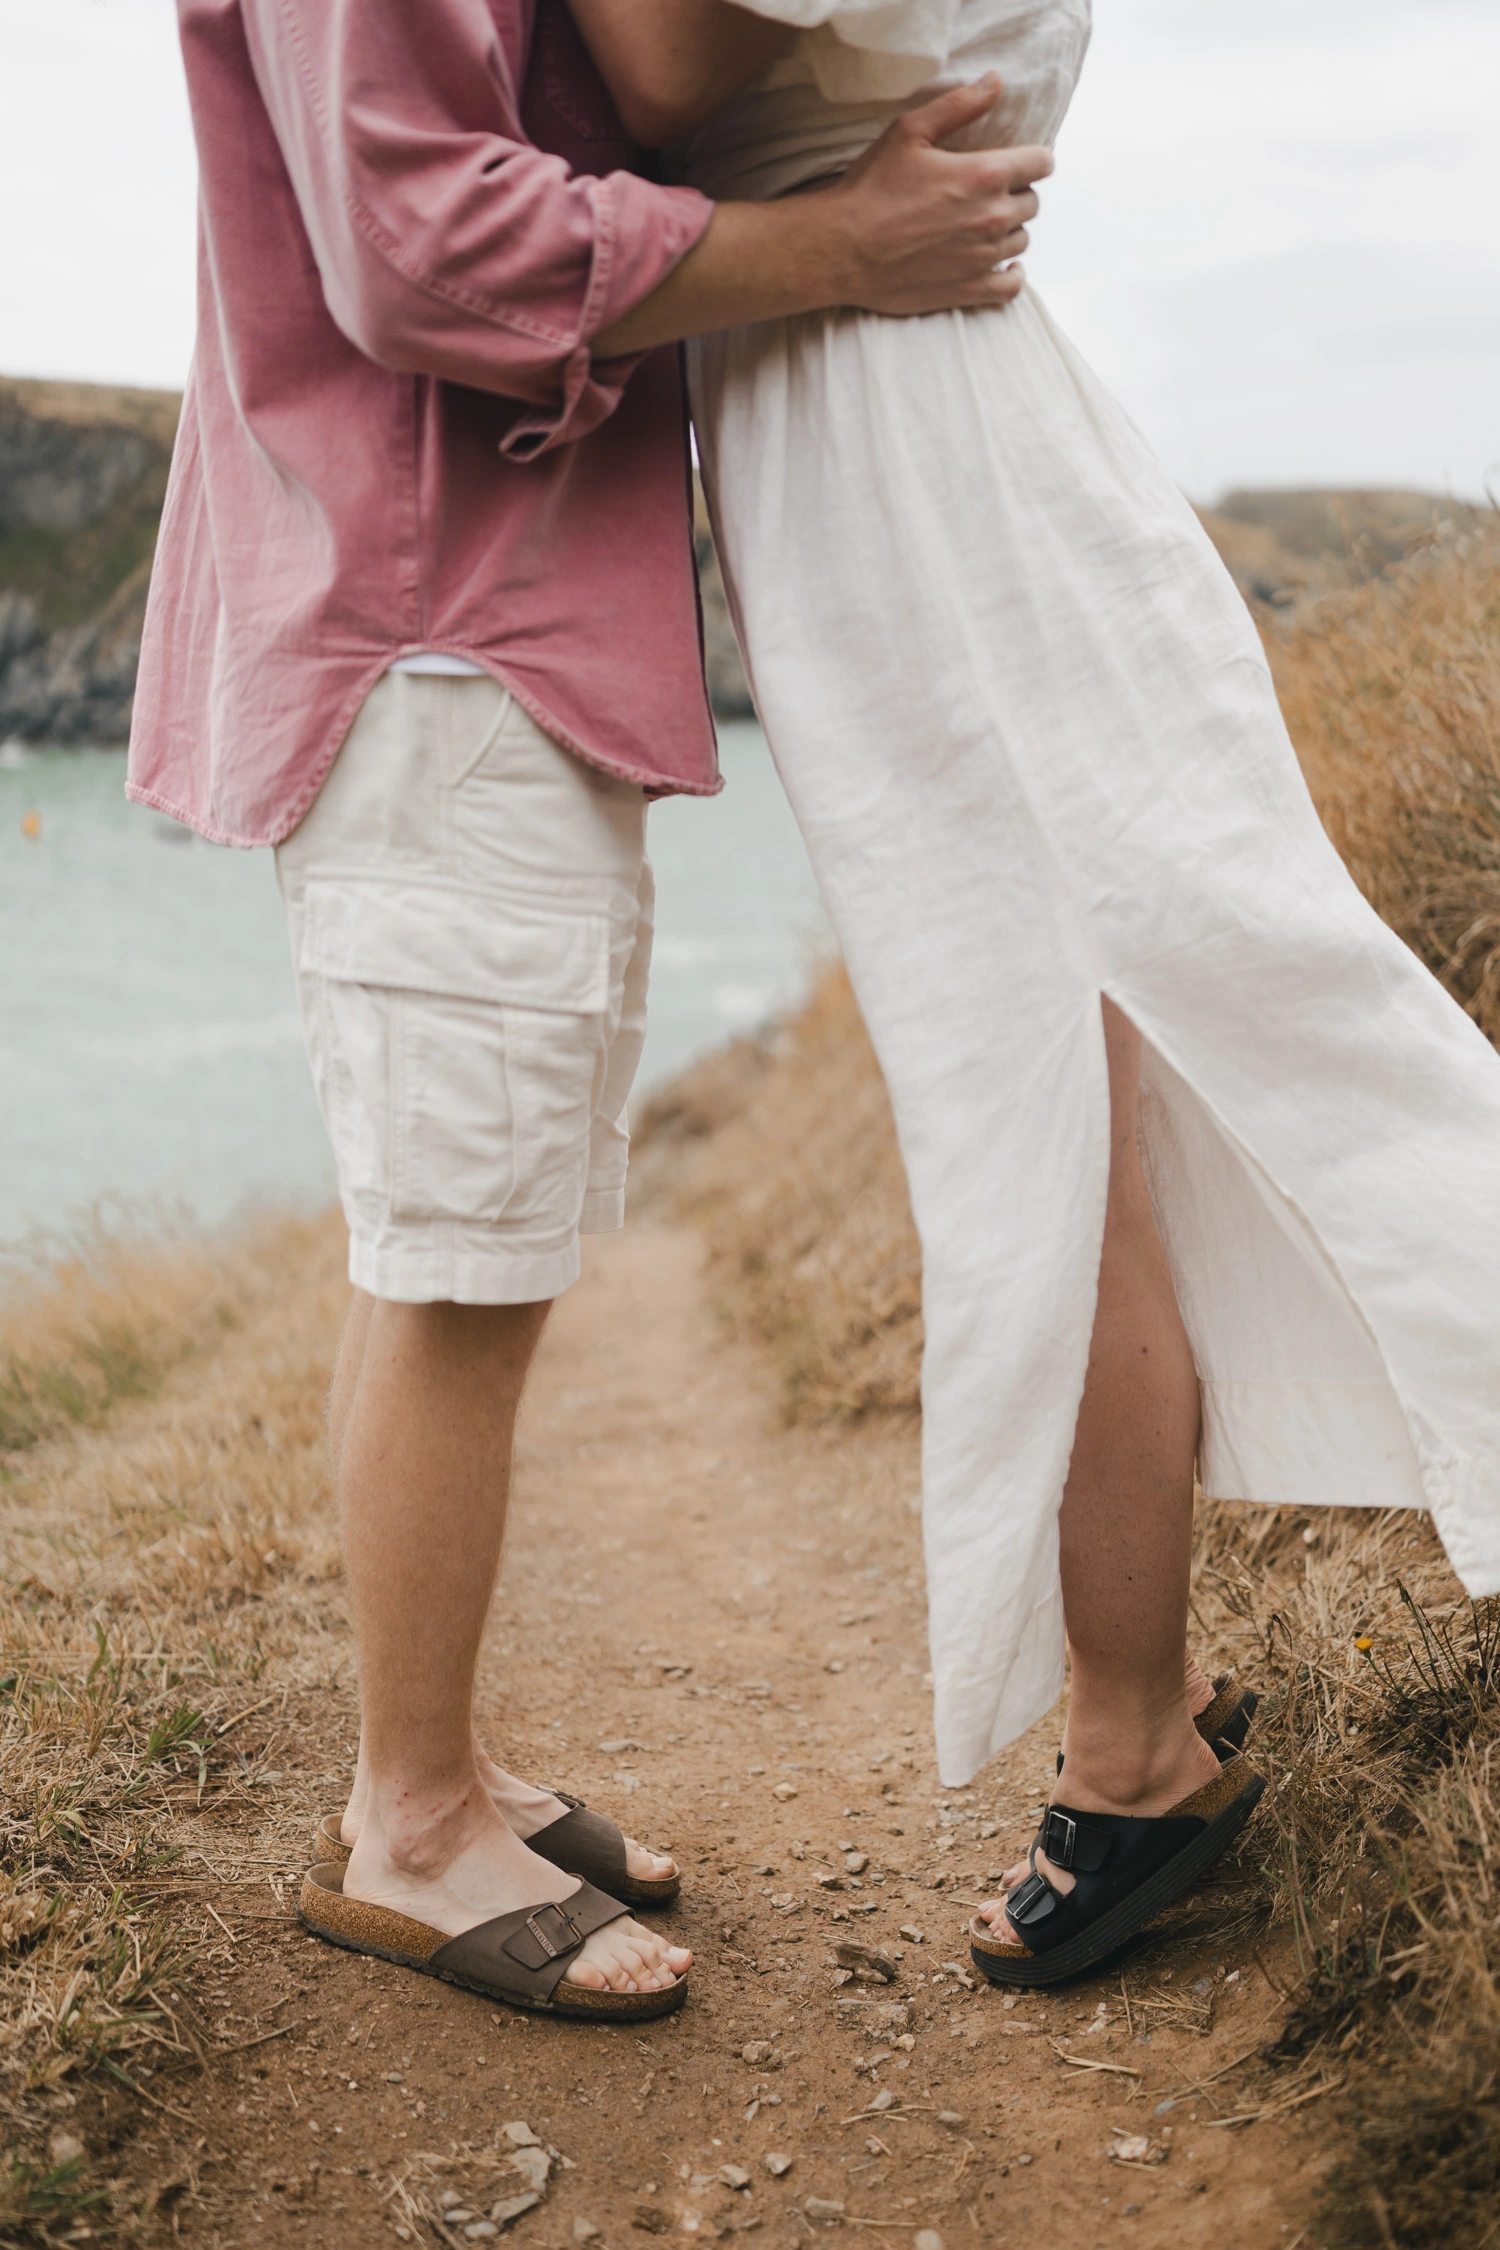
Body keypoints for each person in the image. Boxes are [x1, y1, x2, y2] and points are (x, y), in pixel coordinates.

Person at [128, 0, 1050, 2019]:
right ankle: (408, 1822)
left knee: (473, 1246)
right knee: (460, 1259)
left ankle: (439, 1761)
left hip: (477, 629)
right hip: (432, 632)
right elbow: (422, 253)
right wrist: (841, 246)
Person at [564, 0, 1500, 1986]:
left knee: (1050, 1136)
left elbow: (654, 72)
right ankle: (1136, 1707)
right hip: (925, 431)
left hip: (906, 459)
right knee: (1114, 1097)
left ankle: (1139, 1753)